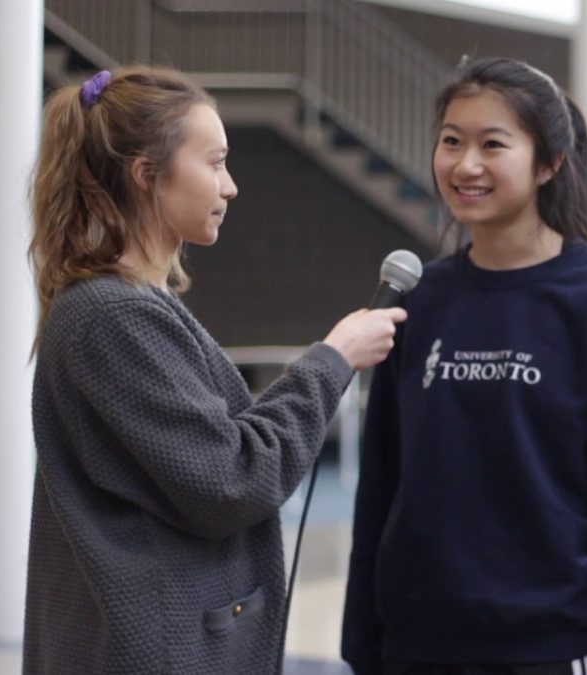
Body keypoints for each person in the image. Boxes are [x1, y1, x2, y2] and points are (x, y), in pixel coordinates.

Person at [23, 65, 406, 674]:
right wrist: (332, 360)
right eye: (216, 163)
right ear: (147, 177)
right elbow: (233, 479)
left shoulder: (129, 305)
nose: (230, 187)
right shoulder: (110, 315)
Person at [341, 57, 587, 674]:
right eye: (451, 142)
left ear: (549, 163)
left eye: (493, 144)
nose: (466, 165)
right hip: (416, 646)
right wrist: (361, 637)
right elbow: (383, 481)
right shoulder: (418, 297)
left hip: (548, 645)